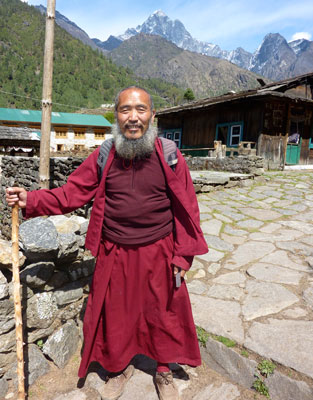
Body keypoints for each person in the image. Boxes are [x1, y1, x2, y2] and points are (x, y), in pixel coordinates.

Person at [6, 86, 208, 400]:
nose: (133, 117)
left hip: (160, 248)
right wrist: (30, 198)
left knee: (162, 313)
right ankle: (120, 367)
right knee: (118, 314)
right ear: (116, 116)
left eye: (141, 109)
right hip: (116, 250)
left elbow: (187, 207)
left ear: (152, 116)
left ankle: (164, 372)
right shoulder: (104, 155)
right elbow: (71, 194)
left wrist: (182, 256)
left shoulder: (169, 155)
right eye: (126, 110)